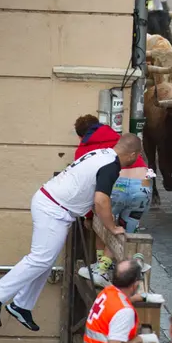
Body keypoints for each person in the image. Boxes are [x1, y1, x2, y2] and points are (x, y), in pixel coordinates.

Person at [0, 134, 142, 330]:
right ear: (133, 154)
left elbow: (89, 190)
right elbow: (101, 201)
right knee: (40, 259)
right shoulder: (111, 165)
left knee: (45, 260)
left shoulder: (102, 155)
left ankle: (21, 305)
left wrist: (92, 217)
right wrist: (112, 227)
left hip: (53, 205)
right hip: (53, 208)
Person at [72, 115, 152, 287]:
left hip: (118, 185)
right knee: (128, 229)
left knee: (105, 223)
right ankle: (133, 268)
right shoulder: (118, 139)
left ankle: (102, 270)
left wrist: (88, 216)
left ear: (81, 136)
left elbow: (88, 187)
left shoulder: (84, 150)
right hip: (143, 185)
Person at [76, 259, 158, 343]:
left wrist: (143, 297)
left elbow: (118, 302)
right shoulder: (124, 312)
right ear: (135, 284)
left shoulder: (106, 293)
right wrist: (141, 339)